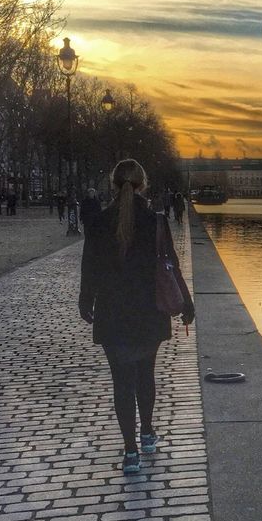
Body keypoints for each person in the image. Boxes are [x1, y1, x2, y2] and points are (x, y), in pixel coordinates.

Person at [79, 158, 194, 475]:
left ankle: (130, 451)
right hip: (149, 312)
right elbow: (170, 264)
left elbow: (90, 267)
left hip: (112, 312)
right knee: (146, 375)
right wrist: (186, 303)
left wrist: (85, 300)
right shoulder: (155, 221)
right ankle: (148, 433)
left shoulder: (99, 221)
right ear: (144, 184)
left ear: (112, 185)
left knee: (122, 383)